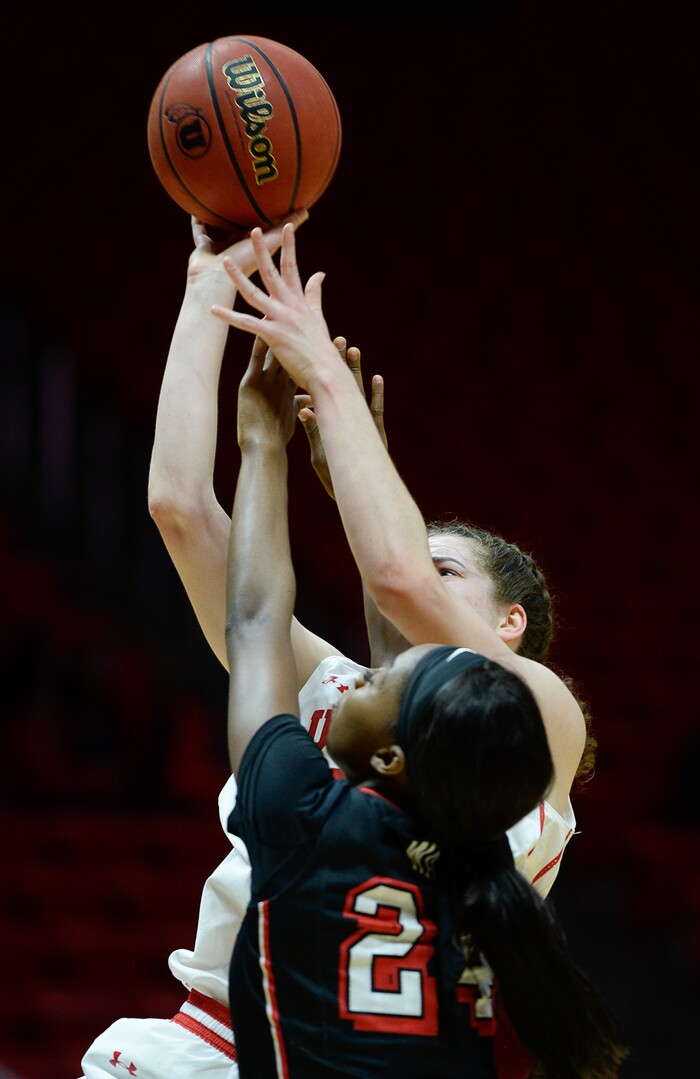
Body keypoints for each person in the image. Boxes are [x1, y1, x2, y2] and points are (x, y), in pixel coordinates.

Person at [78, 216, 584, 1078]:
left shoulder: (533, 717)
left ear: (512, 626)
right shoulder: (362, 702)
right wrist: (205, 291)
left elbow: (391, 581)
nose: (414, 565)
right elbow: (178, 508)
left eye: (448, 569)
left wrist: (305, 399)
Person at [223, 333, 627, 1076]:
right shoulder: (472, 842)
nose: (369, 677)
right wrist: (355, 476)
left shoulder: (306, 816)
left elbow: (298, 607)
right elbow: (402, 658)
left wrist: (265, 443)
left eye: (444, 571)